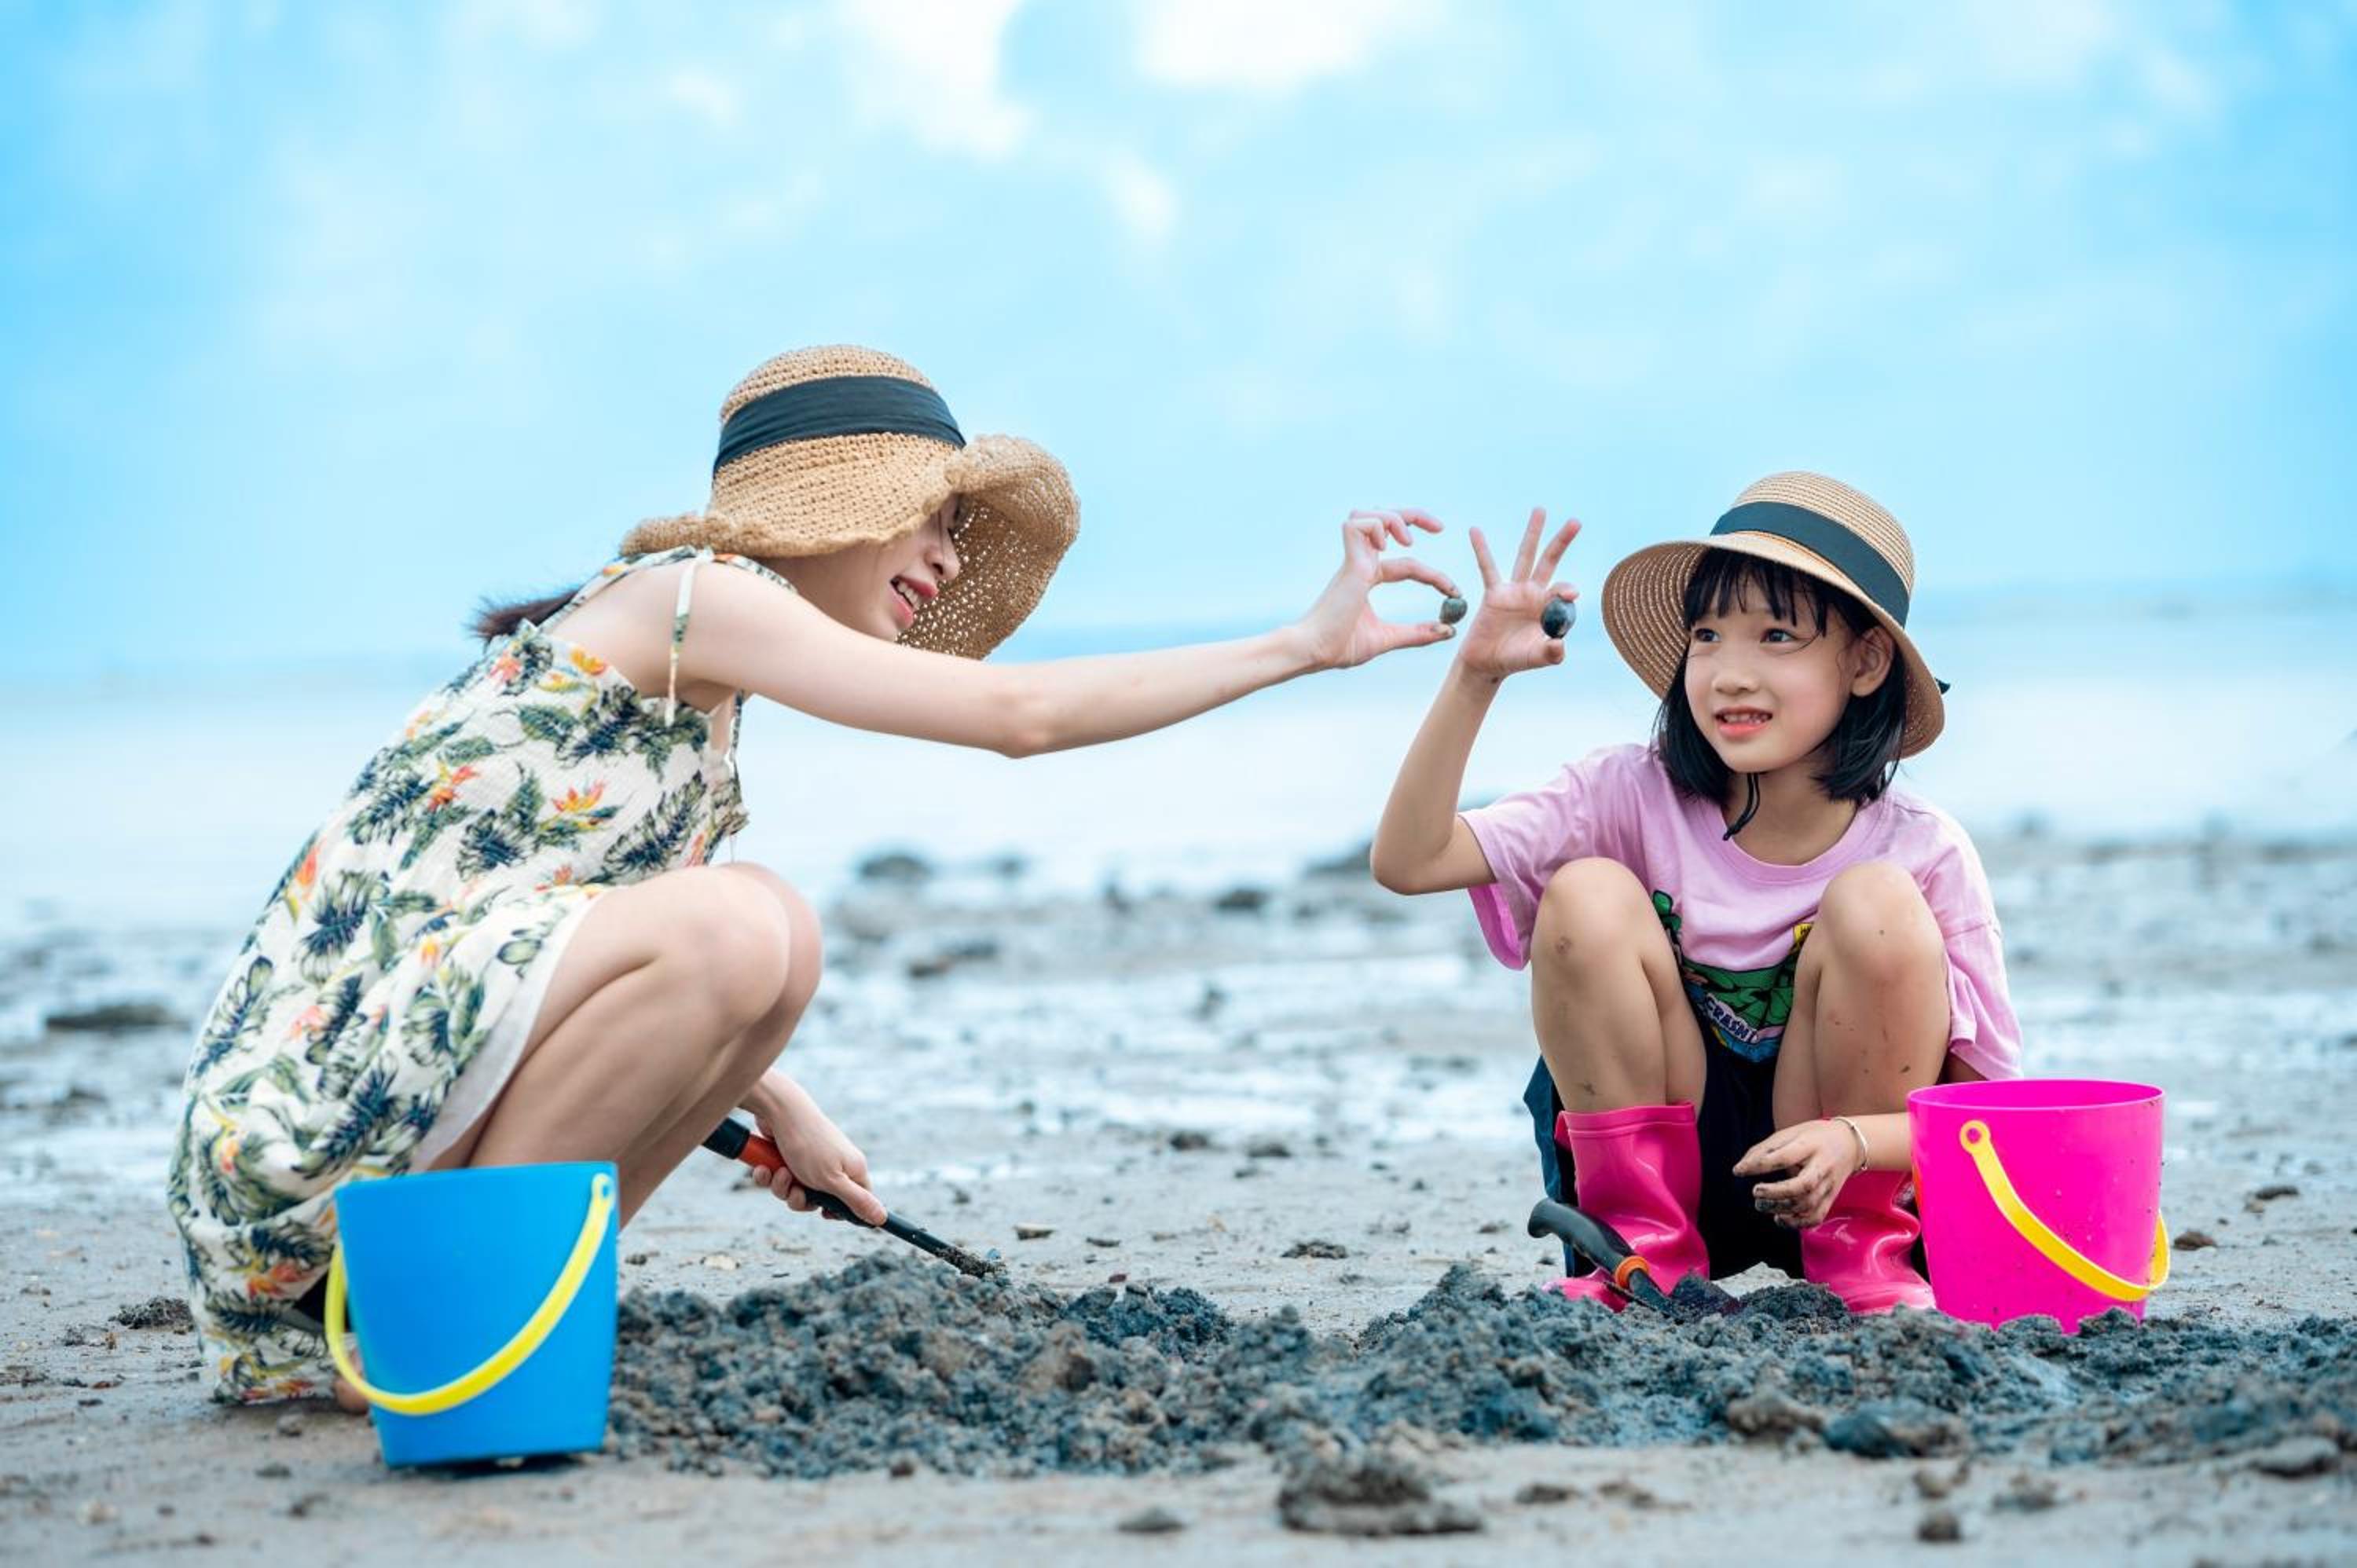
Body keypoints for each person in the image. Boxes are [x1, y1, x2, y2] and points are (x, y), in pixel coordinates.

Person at [171, 344, 1462, 1404]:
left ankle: (479, 1325)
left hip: (369, 1118)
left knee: (768, 956)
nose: (950, 560)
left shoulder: (701, 692)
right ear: (832, 503)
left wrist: (768, 1093)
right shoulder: (694, 595)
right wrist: (1302, 646)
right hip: (287, 1142)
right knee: (754, 927)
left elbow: (556, 943)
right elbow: (1020, 719)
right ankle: (451, 1340)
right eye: (935, 521)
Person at [1369, 474, 2022, 1313]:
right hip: (1669, 1157)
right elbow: (1410, 860)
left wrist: (1855, 1141)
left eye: (1777, 636)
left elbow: (1984, 1122)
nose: (1729, 675)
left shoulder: (1923, 849)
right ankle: (1641, 1250)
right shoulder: (1627, 792)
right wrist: (1475, 676)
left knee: (1880, 907)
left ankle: (1863, 1262)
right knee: (1585, 893)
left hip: (1849, 1168)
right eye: (1708, 635)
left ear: (1865, 662)